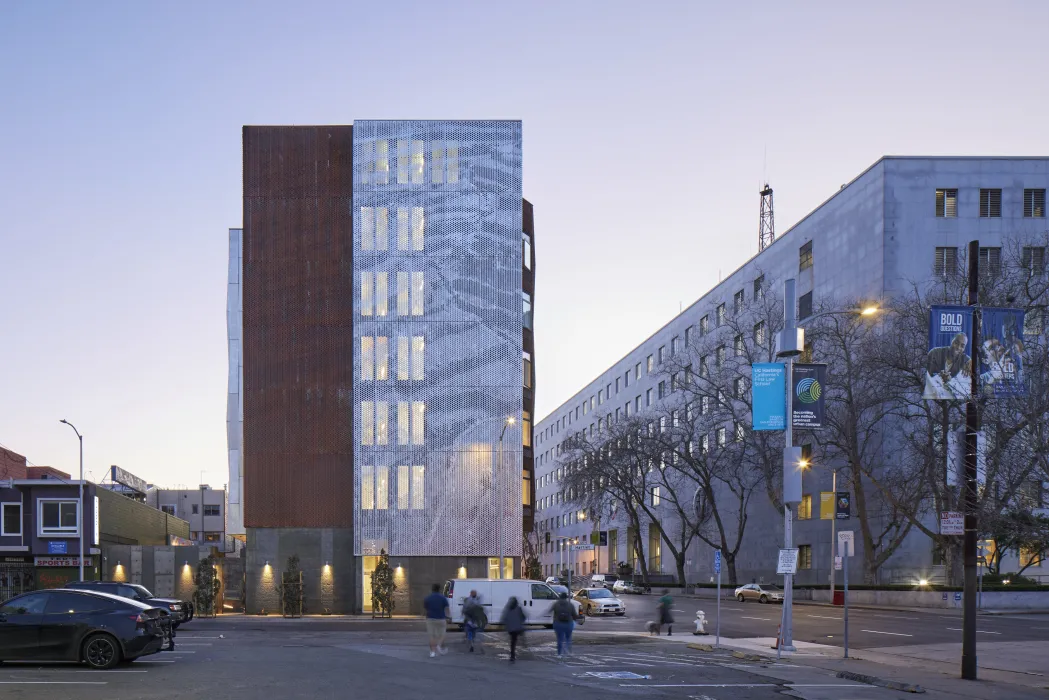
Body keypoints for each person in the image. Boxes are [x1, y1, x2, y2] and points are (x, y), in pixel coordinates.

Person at [924, 332, 972, 399]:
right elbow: (926, 377)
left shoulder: (966, 360)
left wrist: (971, 362)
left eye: (962, 346)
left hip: (950, 399)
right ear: (951, 340)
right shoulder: (934, 353)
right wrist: (939, 377)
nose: (958, 347)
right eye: (956, 343)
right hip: (932, 397)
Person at [423, 583, 450, 658]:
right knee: (442, 634)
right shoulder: (443, 598)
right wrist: (448, 616)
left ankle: (432, 652)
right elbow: (447, 608)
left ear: (432, 589)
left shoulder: (427, 598)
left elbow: (425, 608)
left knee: (432, 636)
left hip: (430, 618)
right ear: (439, 589)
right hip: (441, 618)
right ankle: (439, 645)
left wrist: (425, 616)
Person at [551, 592, 579, 659]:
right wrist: (576, 619)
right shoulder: (570, 604)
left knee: (559, 639)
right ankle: (569, 652)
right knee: (568, 638)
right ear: (566, 597)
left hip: (558, 623)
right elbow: (574, 615)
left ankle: (559, 654)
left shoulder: (556, 604)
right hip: (568, 624)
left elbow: (549, 610)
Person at [500, 596, 527, 663]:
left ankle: (512, 655)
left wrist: (505, 625)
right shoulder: (519, 608)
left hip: (511, 629)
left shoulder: (507, 609)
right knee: (518, 636)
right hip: (518, 627)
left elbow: (504, 618)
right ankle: (523, 642)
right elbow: (524, 617)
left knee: (513, 641)